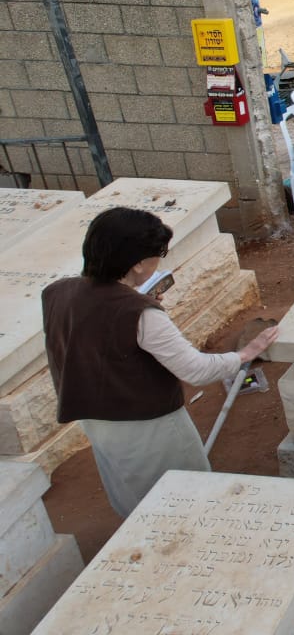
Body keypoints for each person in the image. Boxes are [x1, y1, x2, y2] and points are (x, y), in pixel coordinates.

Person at [42, 207, 279, 517]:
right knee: (185, 500)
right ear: (140, 263)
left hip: (95, 420)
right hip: (149, 425)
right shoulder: (140, 313)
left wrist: (135, 299)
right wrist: (246, 353)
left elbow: (95, 332)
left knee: (129, 495)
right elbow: (195, 370)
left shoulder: (57, 292)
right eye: (158, 255)